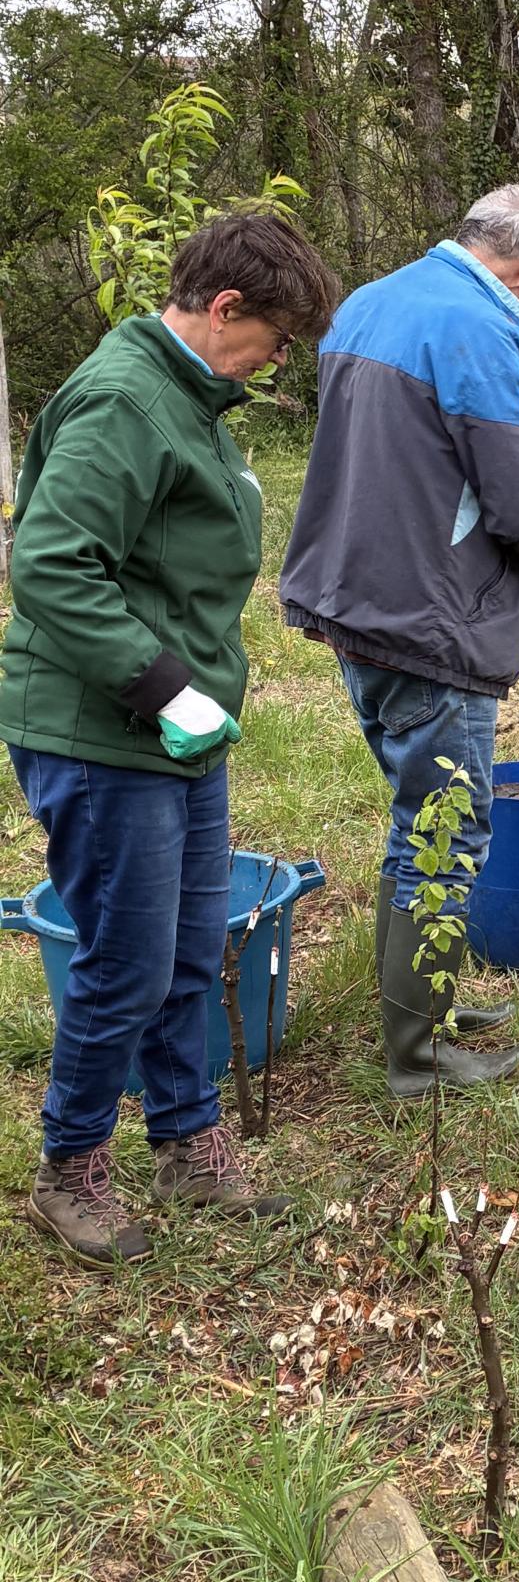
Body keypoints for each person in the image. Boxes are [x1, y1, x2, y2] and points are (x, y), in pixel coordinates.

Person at [2, 210, 339, 1268]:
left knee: (193, 949)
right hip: (103, 729)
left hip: (177, 728)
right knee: (127, 965)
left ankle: (189, 1143)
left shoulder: (187, 396)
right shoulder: (123, 399)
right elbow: (52, 565)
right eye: (275, 339)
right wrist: (162, 688)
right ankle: (70, 1171)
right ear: (224, 307)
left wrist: (189, 698)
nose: (279, 361)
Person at [279, 184, 519, 1098]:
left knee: (414, 819)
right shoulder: (480, 331)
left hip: (354, 602)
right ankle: (418, 1060)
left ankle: (427, 1006)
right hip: (430, 618)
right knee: (442, 832)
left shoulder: (373, 302)